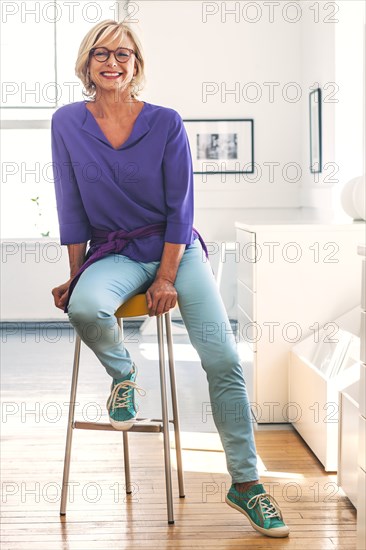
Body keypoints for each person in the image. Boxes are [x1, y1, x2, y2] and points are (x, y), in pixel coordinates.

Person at [50, 19, 289, 538]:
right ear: (87, 62)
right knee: (85, 307)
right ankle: (124, 376)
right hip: (113, 250)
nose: (113, 62)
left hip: (174, 249)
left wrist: (166, 277)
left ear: (137, 64)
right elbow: (70, 204)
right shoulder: (67, 122)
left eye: (124, 54)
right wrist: (76, 274)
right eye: (102, 53)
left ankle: (246, 484)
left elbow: (182, 206)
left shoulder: (165, 121)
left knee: (222, 357)